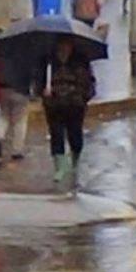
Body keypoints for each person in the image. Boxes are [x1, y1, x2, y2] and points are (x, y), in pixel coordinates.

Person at [39, 38, 96, 192]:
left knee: (75, 133)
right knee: (56, 134)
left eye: (66, 44)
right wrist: (43, 92)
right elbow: (40, 79)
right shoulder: (48, 61)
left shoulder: (81, 61)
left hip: (75, 104)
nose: (63, 48)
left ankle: (75, 160)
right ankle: (59, 166)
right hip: (54, 104)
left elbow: (89, 83)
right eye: (60, 45)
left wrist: (82, 97)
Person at [0, 25, 37, 162]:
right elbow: (32, 72)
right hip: (21, 89)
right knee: (20, 120)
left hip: (3, 87)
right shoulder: (26, 54)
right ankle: (17, 150)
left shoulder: (1, 50)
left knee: (3, 115)